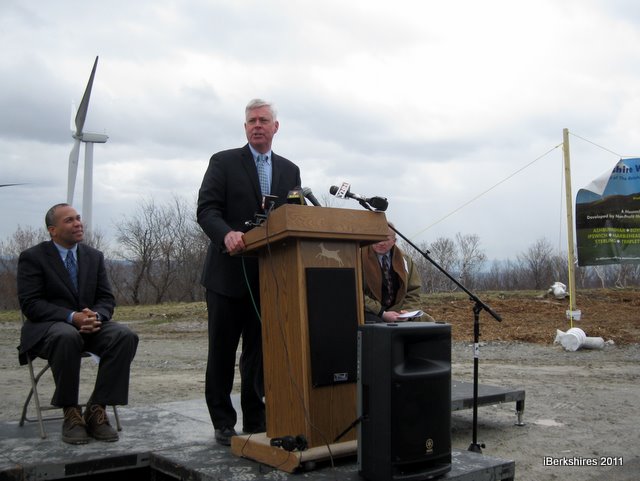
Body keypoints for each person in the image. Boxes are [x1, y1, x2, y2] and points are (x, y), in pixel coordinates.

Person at [197, 99, 302, 446]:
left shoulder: (290, 170)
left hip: (268, 279)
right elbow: (206, 209)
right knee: (222, 353)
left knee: (259, 355)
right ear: (245, 128)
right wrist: (225, 233)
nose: (257, 125)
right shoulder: (223, 162)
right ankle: (223, 422)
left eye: (263, 120)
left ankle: (256, 417)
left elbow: (294, 216)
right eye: (251, 121)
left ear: (275, 127)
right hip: (227, 276)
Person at [17, 203, 139, 445]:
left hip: (89, 327)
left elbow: (106, 299)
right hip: (49, 329)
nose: (78, 224)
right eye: (69, 220)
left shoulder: (94, 256)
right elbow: (31, 304)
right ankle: (71, 413)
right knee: (66, 336)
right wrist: (72, 317)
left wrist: (96, 316)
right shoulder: (33, 257)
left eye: (78, 218)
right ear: (52, 230)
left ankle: (97, 409)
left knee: (125, 336)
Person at [362, 223, 434, 323]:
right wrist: (382, 313)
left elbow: (413, 291)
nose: (381, 243)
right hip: (370, 311)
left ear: (394, 241)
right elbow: (355, 294)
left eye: (386, 239)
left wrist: (407, 312)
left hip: (398, 311)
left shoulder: (406, 260)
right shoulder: (358, 257)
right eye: (377, 238)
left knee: (428, 322)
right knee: (380, 327)